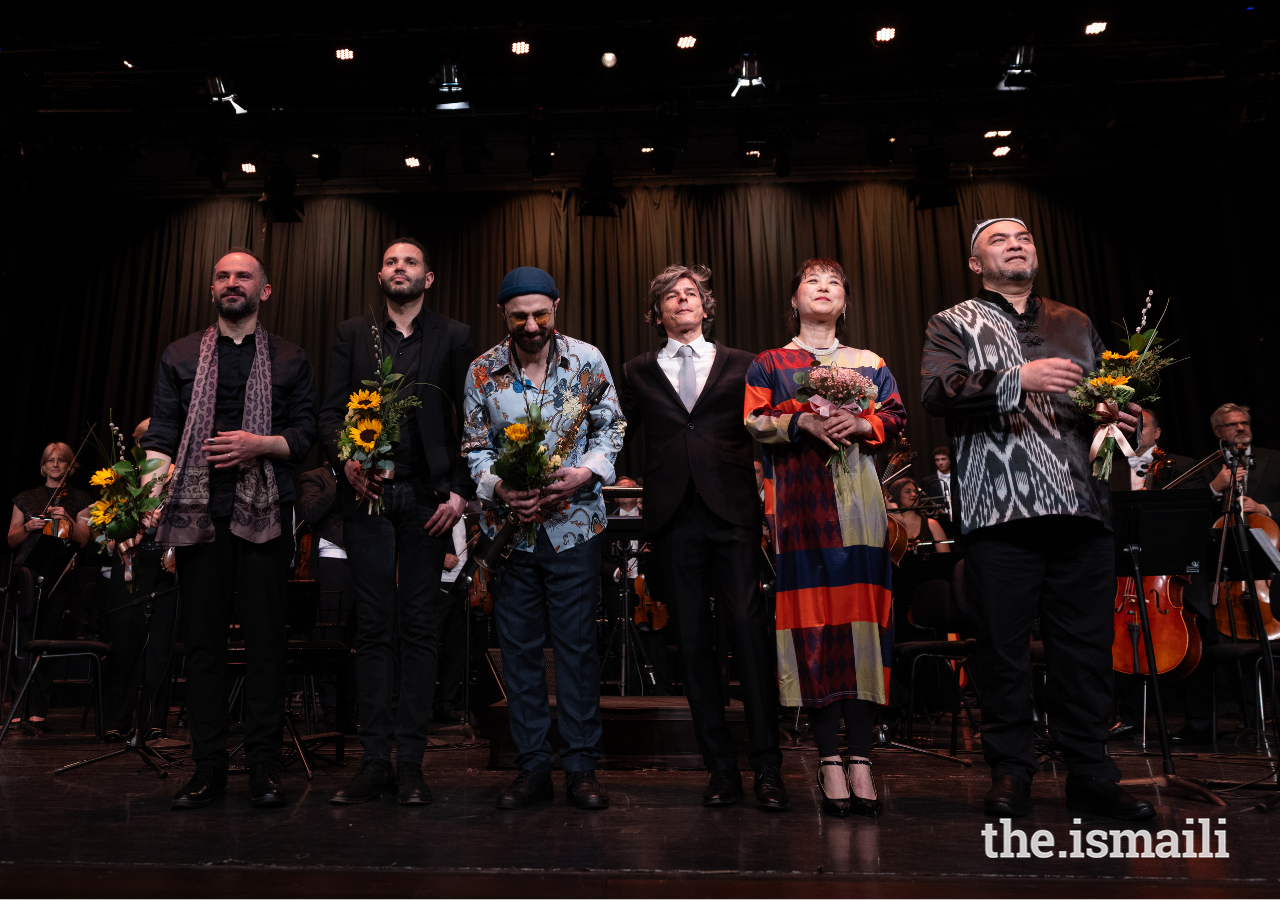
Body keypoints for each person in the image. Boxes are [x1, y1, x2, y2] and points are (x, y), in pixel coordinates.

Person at [921, 217, 1152, 821]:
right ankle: (1011, 771)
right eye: (998, 240)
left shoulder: (1074, 322)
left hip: (1081, 506)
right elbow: (936, 392)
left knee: (1086, 651)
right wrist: (1017, 378)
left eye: (1022, 237)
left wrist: (1116, 413)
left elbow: (1108, 393)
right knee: (1003, 649)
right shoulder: (952, 322)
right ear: (976, 264)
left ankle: (1091, 775)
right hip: (1001, 511)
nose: (1015, 244)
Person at [140, 248, 317, 810]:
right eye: (222, 275)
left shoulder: (291, 357)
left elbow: (308, 436)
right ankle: (208, 767)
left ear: (264, 290)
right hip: (198, 516)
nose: (231, 282)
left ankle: (264, 767)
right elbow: (162, 433)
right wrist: (148, 492)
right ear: (212, 288)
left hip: (264, 515)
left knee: (267, 645)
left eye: (243, 276)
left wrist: (258, 444)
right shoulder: (180, 354)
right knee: (202, 648)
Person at [618, 263, 788, 809]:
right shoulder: (637, 370)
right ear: (658, 311)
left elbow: (770, 430)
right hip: (672, 519)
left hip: (733, 512)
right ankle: (720, 769)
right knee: (691, 643)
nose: (682, 301)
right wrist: (617, 475)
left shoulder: (745, 364)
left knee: (747, 632)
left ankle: (768, 767)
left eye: (691, 294)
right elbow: (617, 436)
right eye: (670, 296)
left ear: (705, 306)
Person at [746, 258, 906, 818]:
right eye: (813, 281)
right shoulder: (769, 362)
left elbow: (896, 418)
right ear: (794, 298)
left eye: (835, 282)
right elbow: (754, 420)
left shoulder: (869, 362)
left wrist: (863, 423)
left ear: (845, 300)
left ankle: (860, 756)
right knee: (813, 629)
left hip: (861, 512)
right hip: (799, 511)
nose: (824, 288)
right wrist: (802, 421)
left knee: (863, 629)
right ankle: (827, 758)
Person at [463, 266, 625, 811]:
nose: (531, 325)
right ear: (504, 315)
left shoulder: (588, 360)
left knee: (578, 650)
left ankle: (581, 767)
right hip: (509, 535)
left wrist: (587, 473)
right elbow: (473, 446)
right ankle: (531, 766)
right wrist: (500, 485)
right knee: (520, 652)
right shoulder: (482, 371)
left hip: (574, 527)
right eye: (519, 316)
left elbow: (612, 426)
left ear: (557, 305)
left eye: (541, 314)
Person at [319, 237, 474, 806]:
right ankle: (374, 762)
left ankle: (412, 763)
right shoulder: (351, 333)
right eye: (390, 262)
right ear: (380, 275)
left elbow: (472, 417)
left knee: (418, 630)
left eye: (410, 262)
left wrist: (461, 492)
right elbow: (330, 411)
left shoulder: (454, 336)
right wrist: (347, 458)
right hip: (368, 497)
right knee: (373, 630)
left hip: (428, 501)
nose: (399, 269)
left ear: (427, 278)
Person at [1170, 403, 1279, 744]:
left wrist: (1266, 509)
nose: (1241, 428)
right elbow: (1185, 516)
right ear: (1218, 432)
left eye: (1245, 422)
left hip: (1270, 575)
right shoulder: (1202, 468)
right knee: (1209, 640)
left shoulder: (1275, 459)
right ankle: (1214, 720)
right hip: (1220, 578)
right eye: (1232, 425)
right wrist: (1216, 487)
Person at [7, 443, 94, 726]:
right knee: (22, 639)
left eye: (62, 461)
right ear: (43, 466)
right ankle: (17, 707)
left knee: (48, 636)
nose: (55, 465)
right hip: (28, 572)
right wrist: (27, 528)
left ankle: (38, 708)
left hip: (60, 574)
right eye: (50, 460)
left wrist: (68, 517)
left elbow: (83, 538)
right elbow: (11, 539)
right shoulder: (25, 497)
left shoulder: (80, 498)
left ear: (71, 466)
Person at [295, 464, 354, 733]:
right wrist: (343, 479)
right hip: (332, 563)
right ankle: (333, 711)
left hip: (366, 561)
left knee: (362, 638)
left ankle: (359, 710)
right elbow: (310, 513)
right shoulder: (314, 476)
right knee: (331, 638)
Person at [887, 477, 951, 554]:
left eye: (916, 491)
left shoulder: (932, 524)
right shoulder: (890, 526)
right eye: (908, 491)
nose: (914, 494)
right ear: (896, 495)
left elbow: (945, 557)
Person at [920, 446, 958, 538]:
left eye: (943, 459)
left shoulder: (958, 477)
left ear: (950, 460)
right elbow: (925, 505)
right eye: (937, 460)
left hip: (959, 518)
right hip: (939, 520)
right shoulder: (928, 481)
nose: (940, 463)